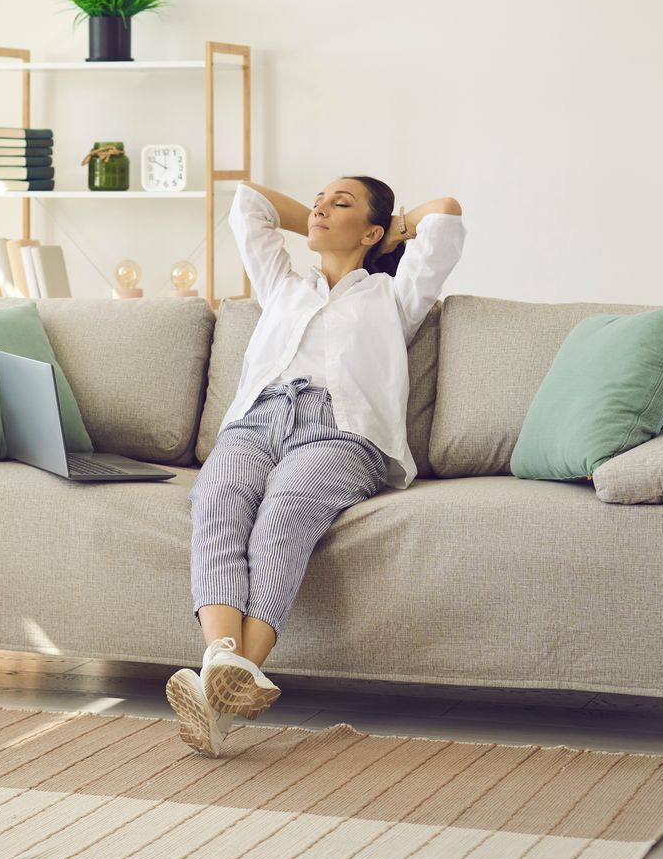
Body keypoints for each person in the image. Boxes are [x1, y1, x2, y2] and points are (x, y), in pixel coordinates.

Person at [166, 176, 466, 756]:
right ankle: (222, 671)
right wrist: (328, 218)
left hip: (342, 431)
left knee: (285, 510)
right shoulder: (283, 283)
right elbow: (248, 202)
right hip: (258, 419)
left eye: (340, 203)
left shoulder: (393, 295)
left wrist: (391, 233)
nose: (321, 208)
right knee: (217, 498)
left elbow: (446, 212)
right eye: (318, 201)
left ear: (373, 232)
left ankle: (221, 691)